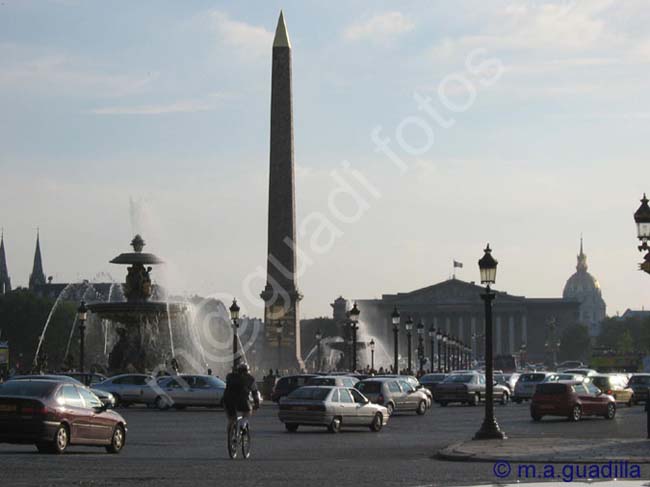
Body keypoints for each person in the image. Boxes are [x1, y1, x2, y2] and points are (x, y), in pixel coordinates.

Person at [223, 362, 260, 434]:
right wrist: (256, 404)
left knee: (231, 419)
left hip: (227, 400)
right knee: (247, 412)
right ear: (247, 370)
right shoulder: (250, 379)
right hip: (242, 400)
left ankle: (231, 436)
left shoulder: (230, 376)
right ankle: (243, 424)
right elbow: (255, 393)